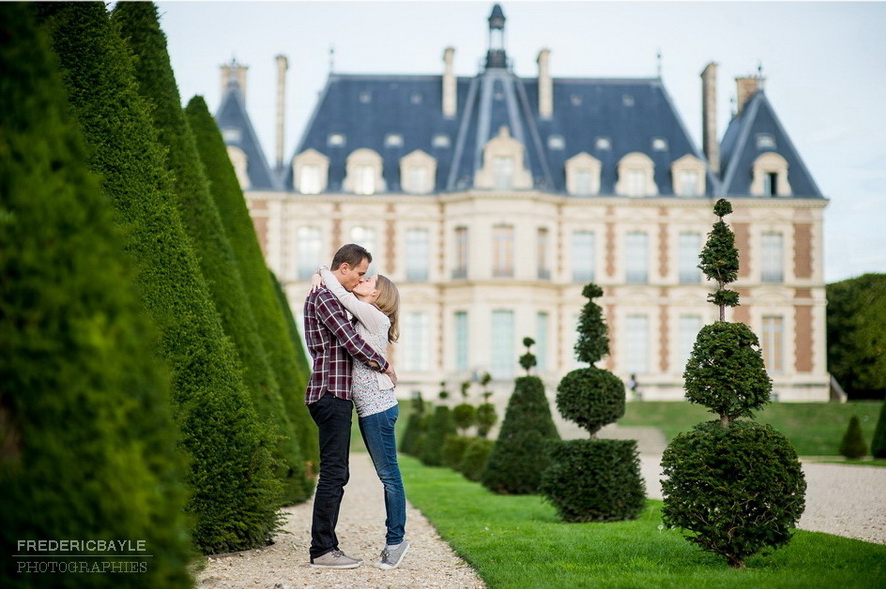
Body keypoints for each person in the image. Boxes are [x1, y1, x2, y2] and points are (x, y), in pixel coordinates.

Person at [311, 264, 410, 570]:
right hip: (371, 408)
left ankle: (396, 541)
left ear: (377, 293)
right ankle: (394, 540)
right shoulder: (364, 315)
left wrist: (322, 274)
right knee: (387, 475)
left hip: (378, 408)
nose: (363, 280)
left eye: (368, 280)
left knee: (389, 476)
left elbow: (343, 297)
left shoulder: (373, 314)